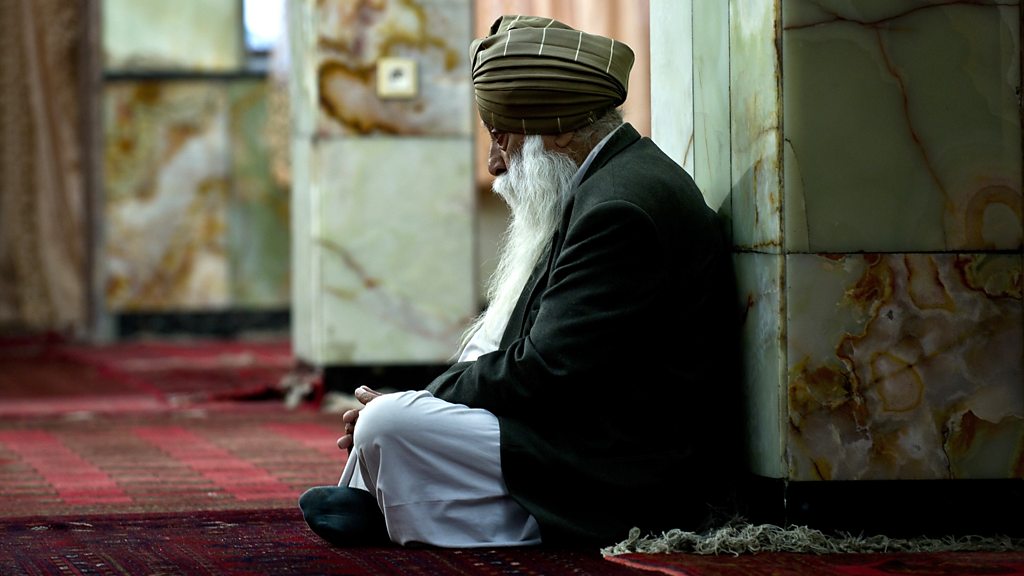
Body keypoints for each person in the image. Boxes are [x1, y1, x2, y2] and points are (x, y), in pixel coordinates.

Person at [299, 14, 743, 549]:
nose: (494, 163)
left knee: (389, 422)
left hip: (626, 464)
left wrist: (423, 397)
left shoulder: (618, 210)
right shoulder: (606, 182)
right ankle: (383, 497)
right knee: (424, 396)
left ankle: (426, 510)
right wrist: (431, 399)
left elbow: (545, 370)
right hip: (589, 425)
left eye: (502, 138)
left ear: (558, 129)